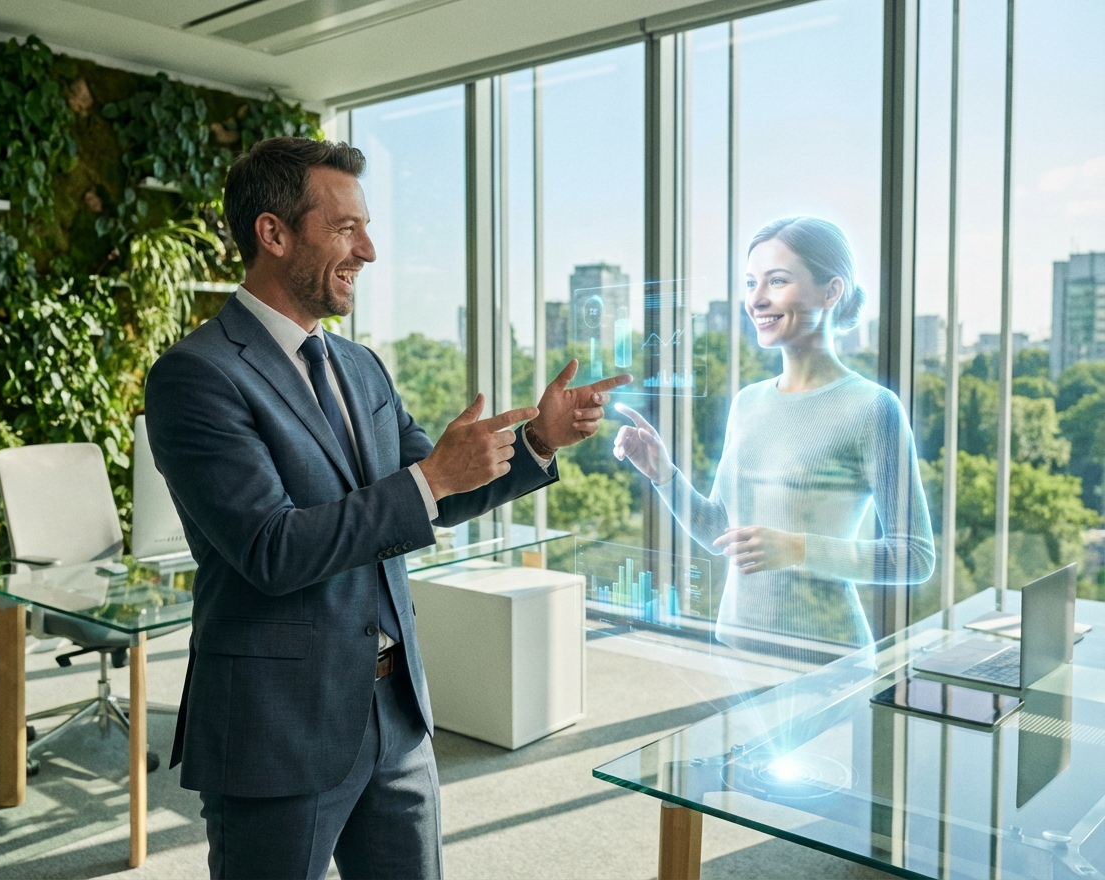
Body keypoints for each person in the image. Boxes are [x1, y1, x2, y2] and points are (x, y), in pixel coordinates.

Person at [144, 136, 630, 880]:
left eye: (367, 227)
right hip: (278, 728)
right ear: (273, 234)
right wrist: (431, 479)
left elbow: (431, 491)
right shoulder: (195, 376)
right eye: (345, 227)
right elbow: (272, 549)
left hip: (395, 715)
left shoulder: (359, 365)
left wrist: (536, 441)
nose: (368, 250)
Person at [613, 216, 934, 654]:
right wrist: (663, 474)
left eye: (777, 281)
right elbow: (719, 533)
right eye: (750, 283)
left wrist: (798, 548)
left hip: (827, 661)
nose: (757, 300)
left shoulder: (873, 408)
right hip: (736, 649)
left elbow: (914, 556)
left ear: (832, 290)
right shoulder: (748, 402)